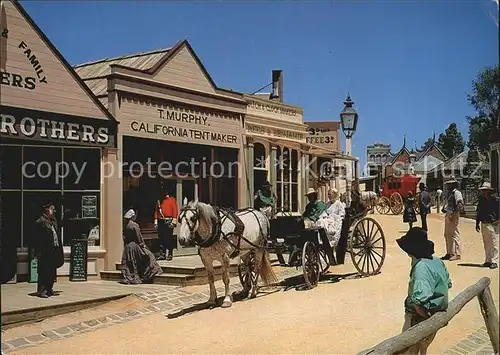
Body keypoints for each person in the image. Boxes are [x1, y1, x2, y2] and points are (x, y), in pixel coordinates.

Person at [396, 227, 452, 354]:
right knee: (423, 348)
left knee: (409, 350)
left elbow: (418, 302)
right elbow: (448, 284)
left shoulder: (421, 267)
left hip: (419, 317)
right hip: (437, 313)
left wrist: (427, 318)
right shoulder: (437, 261)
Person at [121, 209, 163, 284]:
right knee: (149, 255)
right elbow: (139, 237)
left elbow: (124, 237)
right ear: (133, 216)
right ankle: (147, 274)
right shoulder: (134, 225)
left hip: (128, 247)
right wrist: (143, 245)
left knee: (131, 262)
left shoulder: (126, 225)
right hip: (134, 246)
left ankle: (132, 275)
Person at [34, 203, 64, 298]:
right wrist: (37, 252)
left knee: (51, 272)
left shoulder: (53, 221)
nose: (54, 211)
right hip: (44, 252)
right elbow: (36, 239)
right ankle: (42, 291)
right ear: (47, 210)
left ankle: (49, 288)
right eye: (53, 209)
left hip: (53, 251)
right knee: (43, 271)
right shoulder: (40, 222)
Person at [315, 188, 346, 265]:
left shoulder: (339, 204)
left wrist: (333, 217)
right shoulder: (327, 204)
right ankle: (322, 237)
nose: (329, 196)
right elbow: (324, 213)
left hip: (335, 221)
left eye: (330, 194)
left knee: (331, 226)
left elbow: (342, 214)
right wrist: (326, 217)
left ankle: (331, 242)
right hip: (328, 220)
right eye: (328, 194)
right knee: (321, 221)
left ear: (335, 195)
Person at [475, 182, 499, 269]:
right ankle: (488, 260)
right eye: (483, 190)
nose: (483, 192)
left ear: (489, 191)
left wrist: (498, 220)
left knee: (494, 242)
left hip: (493, 223)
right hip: (484, 222)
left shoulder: (495, 199)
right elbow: (479, 212)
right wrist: (477, 223)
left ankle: (494, 261)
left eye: (485, 190)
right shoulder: (481, 199)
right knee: (486, 243)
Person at [441, 177, 463, 261]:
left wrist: (454, 214)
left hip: (453, 215)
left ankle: (457, 254)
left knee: (455, 234)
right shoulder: (449, 193)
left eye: (449, 184)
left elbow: (459, 204)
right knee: (447, 234)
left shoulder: (457, 193)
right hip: (448, 214)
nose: (447, 186)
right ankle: (449, 253)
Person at [154, 190, 178, 260]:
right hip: (161, 220)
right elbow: (156, 211)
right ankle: (162, 254)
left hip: (169, 220)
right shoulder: (159, 201)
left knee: (169, 238)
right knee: (161, 238)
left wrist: (174, 221)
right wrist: (156, 222)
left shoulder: (172, 200)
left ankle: (170, 254)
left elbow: (175, 210)